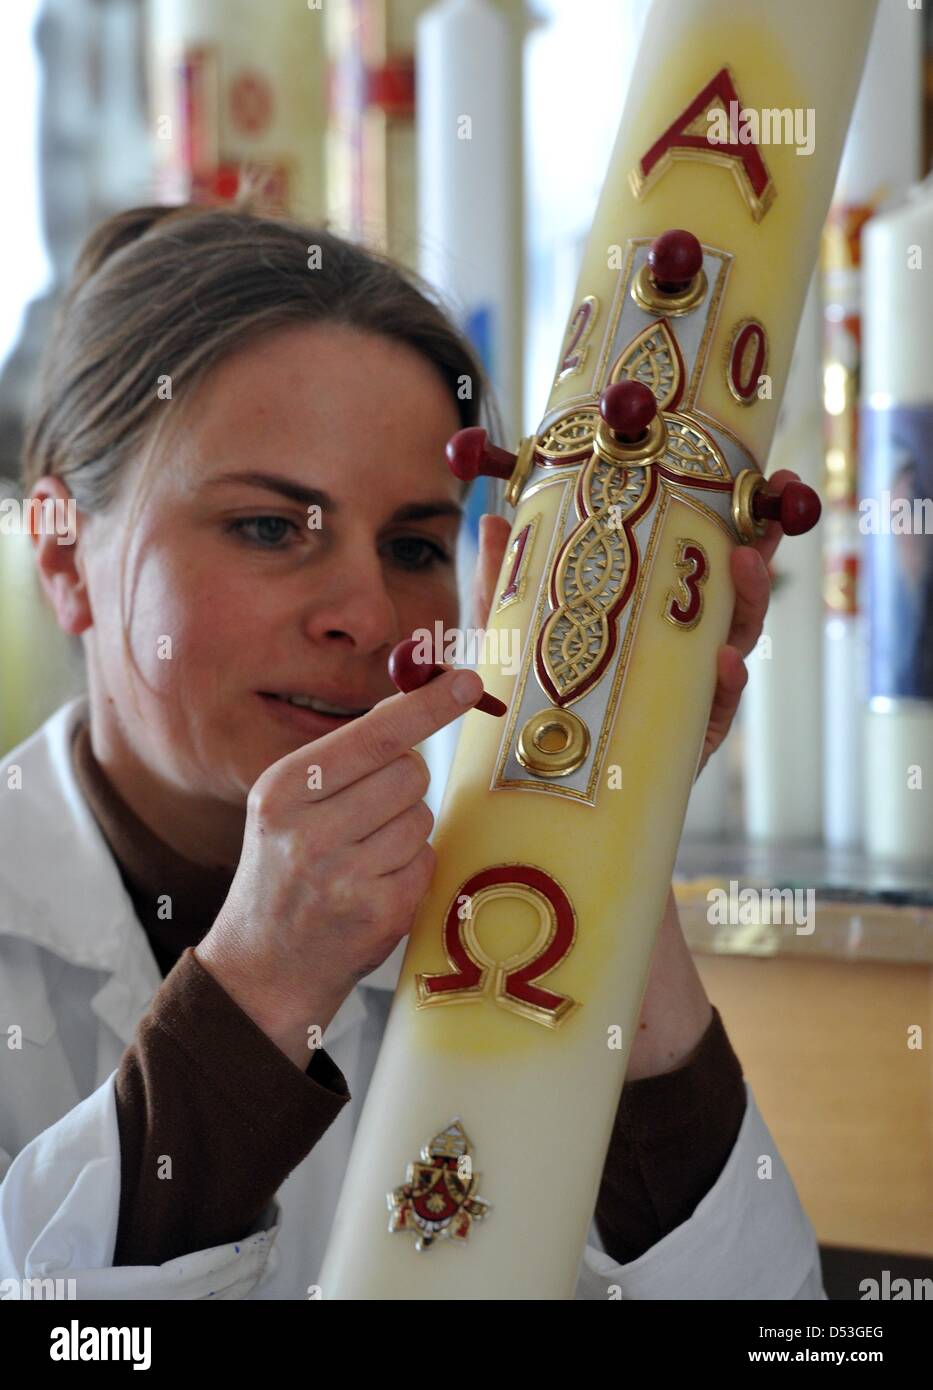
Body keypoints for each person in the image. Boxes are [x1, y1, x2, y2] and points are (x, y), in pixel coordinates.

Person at [0, 204, 823, 1300]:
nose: (365, 612)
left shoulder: (495, 905)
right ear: (62, 554)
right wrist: (254, 994)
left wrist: (614, 841)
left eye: (414, 545)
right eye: (269, 526)